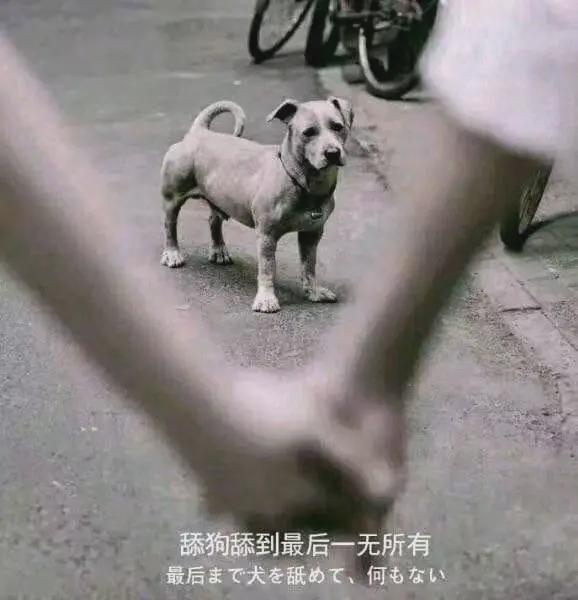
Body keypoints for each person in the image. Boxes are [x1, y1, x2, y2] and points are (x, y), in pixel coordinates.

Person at [0, 0, 576, 563]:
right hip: (213, 171)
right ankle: (220, 260)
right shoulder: (259, 175)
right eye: (312, 134)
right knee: (208, 214)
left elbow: (529, 45)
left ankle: (299, 280)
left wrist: (209, 425)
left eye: (336, 131)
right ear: (289, 132)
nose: (329, 143)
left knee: (308, 233)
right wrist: (369, 378)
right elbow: (530, 46)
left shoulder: (325, 177)